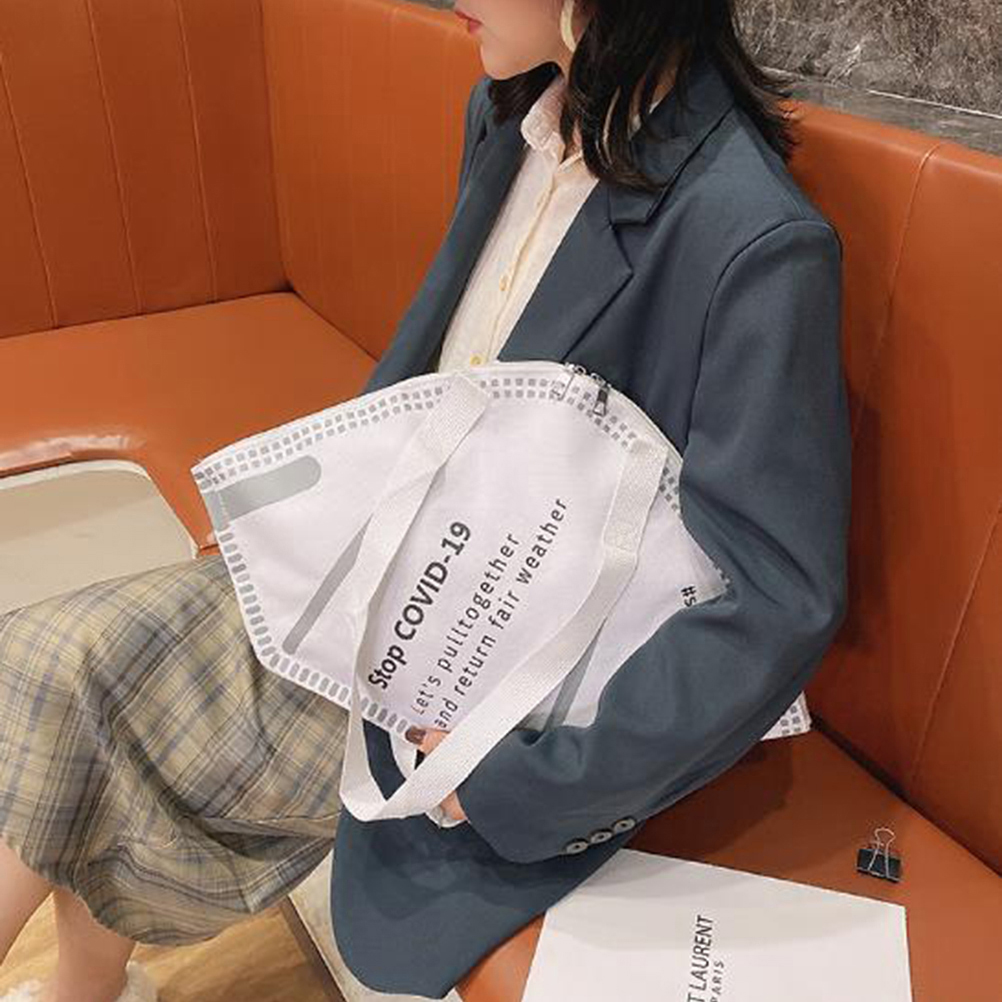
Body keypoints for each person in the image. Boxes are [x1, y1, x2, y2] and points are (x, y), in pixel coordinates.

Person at [1, 0, 851, 1000]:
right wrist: (296, 531)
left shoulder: (751, 237)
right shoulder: (514, 118)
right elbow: (437, 380)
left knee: (71, 676)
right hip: (381, 583)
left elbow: (776, 594)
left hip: (494, 691)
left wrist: (525, 780)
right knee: (60, 670)